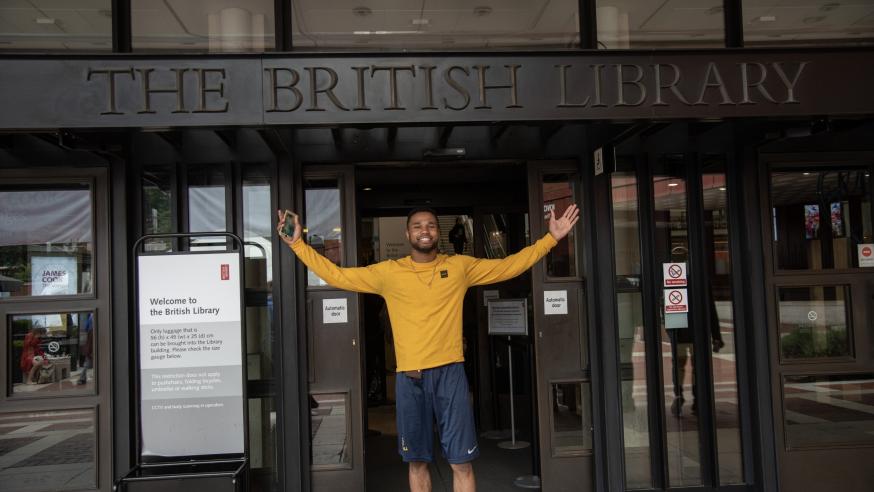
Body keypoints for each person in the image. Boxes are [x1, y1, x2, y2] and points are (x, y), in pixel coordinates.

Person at [277, 204, 579, 492]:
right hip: (411, 380)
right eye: (418, 226)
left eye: (431, 225)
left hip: (451, 376)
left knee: (461, 462)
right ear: (408, 235)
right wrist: (298, 244)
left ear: (439, 233)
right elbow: (337, 276)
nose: (425, 230)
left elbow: (509, 266)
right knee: (417, 462)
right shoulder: (388, 273)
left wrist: (550, 238)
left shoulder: (460, 267)